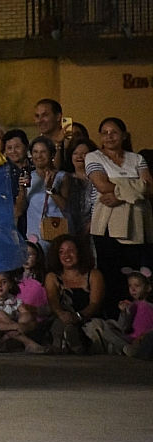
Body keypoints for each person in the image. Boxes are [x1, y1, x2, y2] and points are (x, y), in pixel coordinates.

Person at [84, 117, 153, 317]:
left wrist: (118, 195)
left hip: (137, 224)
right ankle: (112, 319)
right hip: (108, 225)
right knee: (111, 275)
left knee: (135, 277)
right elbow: (102, 185)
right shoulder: (94, 157)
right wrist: (136, 187)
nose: (109, 137)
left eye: (113, 132)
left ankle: (138, 321)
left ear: (123, 135)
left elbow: (150, 188)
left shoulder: (137, 159)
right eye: (104, 133)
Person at [44, 234, 105, 354]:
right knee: (59, 326)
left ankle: (79, 344)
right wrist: (63, 315)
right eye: (61, 252)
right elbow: (54, 303)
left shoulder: (94, 274)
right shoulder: (52, 277)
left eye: (71, 250)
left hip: (88, 319)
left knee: (93, 328)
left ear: (80, 253)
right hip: (63, 319)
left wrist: (77, 317)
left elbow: (95, 303)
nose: (66, 255)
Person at [84, 269, 153, 356]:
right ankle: (126, 348)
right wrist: (124, 312)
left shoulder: (150, 307)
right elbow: (123, 326)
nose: (133, 289)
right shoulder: (131, 305)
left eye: (137, 286)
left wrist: (145, 336)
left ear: (148, 288)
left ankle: (127, 348)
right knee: (108, 330)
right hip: (130, 338)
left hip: (144, 340)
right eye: (130, 285)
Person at [0, 271, 46, 353]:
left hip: (8, 334)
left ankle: (3, 342)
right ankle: (29, 343)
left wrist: (24, 326)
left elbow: (29, 318)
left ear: (10, 284)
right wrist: (15, 326)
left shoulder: (13, 300)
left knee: (26, 316)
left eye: (4, 282)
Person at [24, 136, 69, 251]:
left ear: (52, 155)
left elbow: (65, 206)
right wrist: (21, 188)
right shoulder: (28, 177)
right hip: (35, 235)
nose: (39, 156)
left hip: (57, 231)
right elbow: (20, 209)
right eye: (35, 152)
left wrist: (50, 189)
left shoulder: (62, 177)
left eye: (43, 152)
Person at [34, 98, 70, 172]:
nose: (40, 120)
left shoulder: (70, 141)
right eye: (37, 116)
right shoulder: (35, 144)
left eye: (44, 115)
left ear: (58, 117)